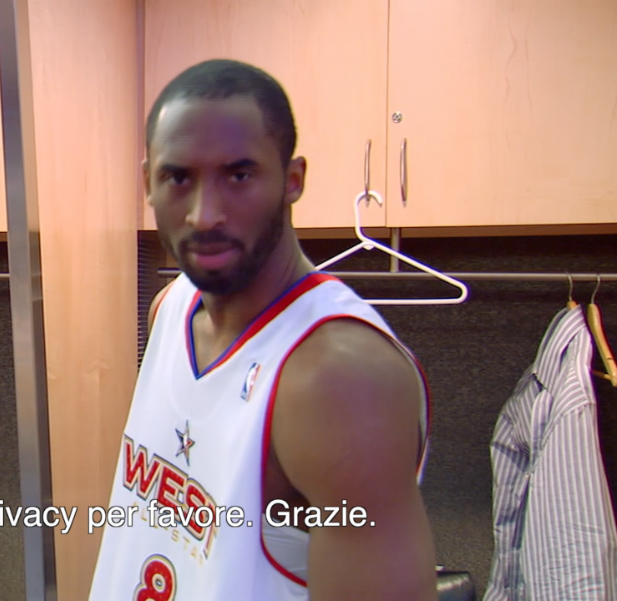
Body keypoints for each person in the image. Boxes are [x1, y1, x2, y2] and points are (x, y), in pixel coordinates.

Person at [87, 58, 438, 600]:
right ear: (148, 184)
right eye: (178, 177)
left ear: (292, 180)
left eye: (239, 175)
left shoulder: (339, 379)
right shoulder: (170, 309)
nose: (204, 214)